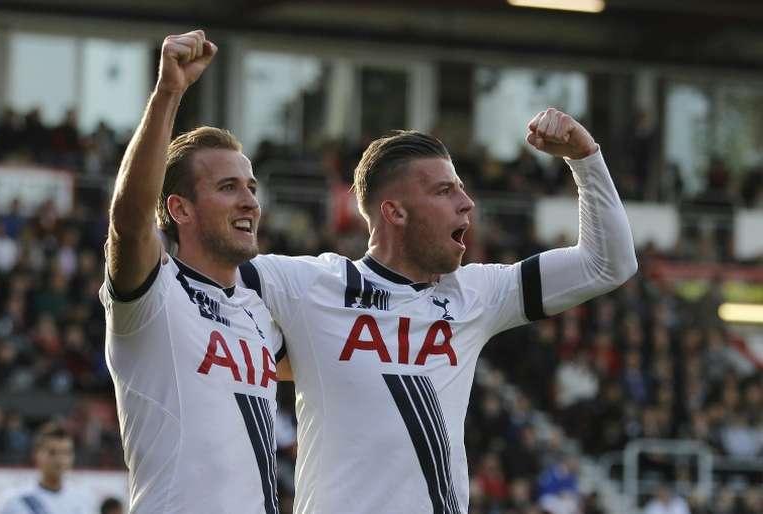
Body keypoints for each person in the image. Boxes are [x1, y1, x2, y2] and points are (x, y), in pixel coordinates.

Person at [239, 108, 637, 513]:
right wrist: (169, 95)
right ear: (395, 212)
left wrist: (585, 158)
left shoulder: (476, 292)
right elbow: (185, 268)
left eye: (461, 189)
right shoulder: (313, 285)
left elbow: (608, 264)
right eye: (445, 191)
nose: (467, 204)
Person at [101, 30, 287, 513]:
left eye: (251, 186)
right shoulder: (154, 294)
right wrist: (169, 93)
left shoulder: (260, 312)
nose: (249, 200)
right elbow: (128, 217)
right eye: (228, 187)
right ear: (180, 209)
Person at [0, 421, 92, 514]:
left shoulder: (85, 500)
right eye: (52, 453)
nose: (60, 459)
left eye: (66, 453)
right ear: (36, 454)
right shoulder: (15, 501)